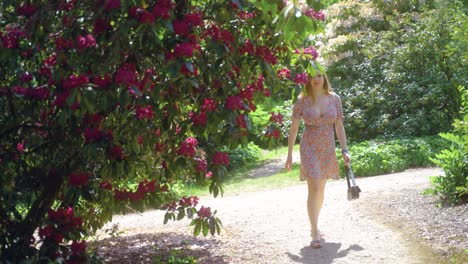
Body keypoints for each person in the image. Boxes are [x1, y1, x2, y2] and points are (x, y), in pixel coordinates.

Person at [285, 70, 350, 249]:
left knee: (320, 188)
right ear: (307, 79)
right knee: (313, 184)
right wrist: (290, 154)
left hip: (327, 147)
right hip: (309, 146)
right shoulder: (302, 100)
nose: (316, 79)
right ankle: (314, 231)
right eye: (312, 76)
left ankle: (316, 224)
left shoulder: (335, 98)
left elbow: (339, 125)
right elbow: (294, 128)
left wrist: (344, 149)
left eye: (319, 75)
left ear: (324, 77)